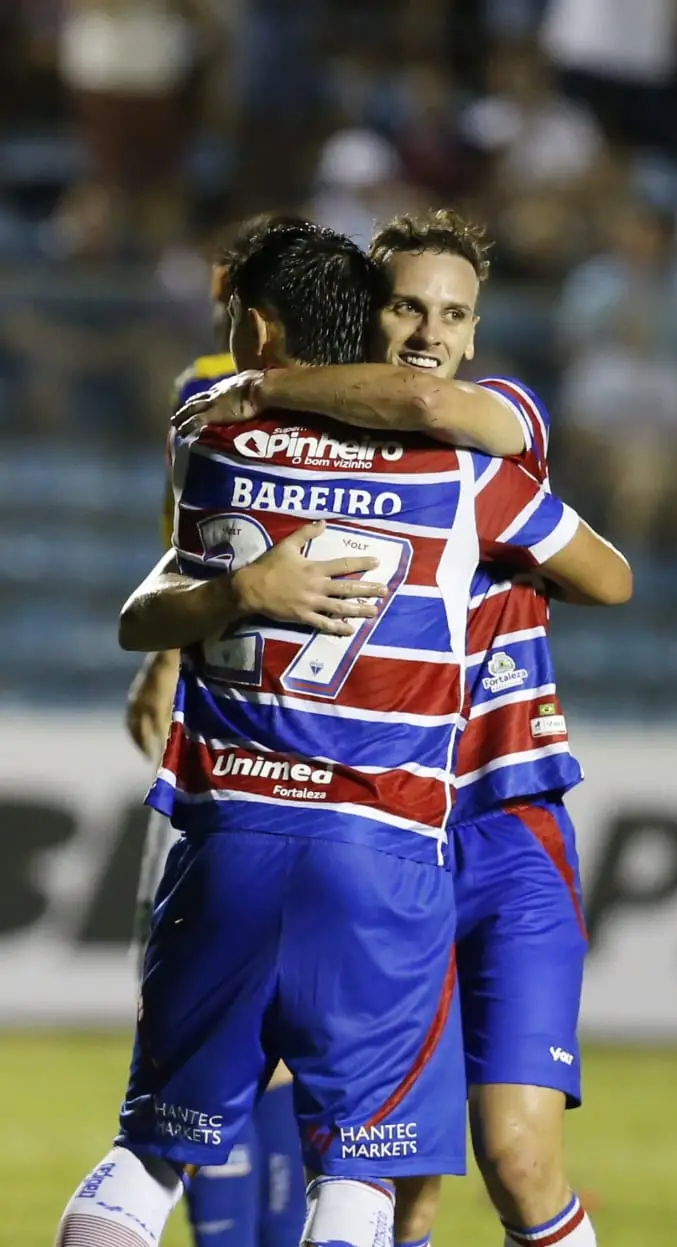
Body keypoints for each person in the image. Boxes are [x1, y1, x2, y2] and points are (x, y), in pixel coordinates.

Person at [57, 221, 619, 1247]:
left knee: (514, 1155)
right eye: (405, 306)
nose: (426, 334)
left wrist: (258, 386)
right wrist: (183, 640)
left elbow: (422, 405)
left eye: (453, 314)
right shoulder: (438, 475)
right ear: (365, 315)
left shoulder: (491, 424)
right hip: (379, 823)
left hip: (492, 815)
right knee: (376, 1165)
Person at [122, 212, 313, 1247]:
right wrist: (164, 658)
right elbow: (186, 546)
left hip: (265, 741)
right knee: (252, 1024)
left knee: (222, 1019)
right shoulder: (208, 390)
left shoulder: (214, 392)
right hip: (232, 716)